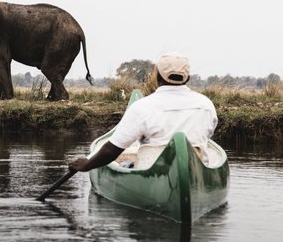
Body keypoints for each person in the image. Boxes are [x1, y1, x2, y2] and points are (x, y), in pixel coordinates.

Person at [68, 52, 218, 172]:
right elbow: (207, 136)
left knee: (127, 163)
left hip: (151, 170)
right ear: (188, 77)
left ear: (157, 76)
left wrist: (86, 165)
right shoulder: (206, 105)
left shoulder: (142, 107)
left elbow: (111, 151)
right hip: (195, 170)